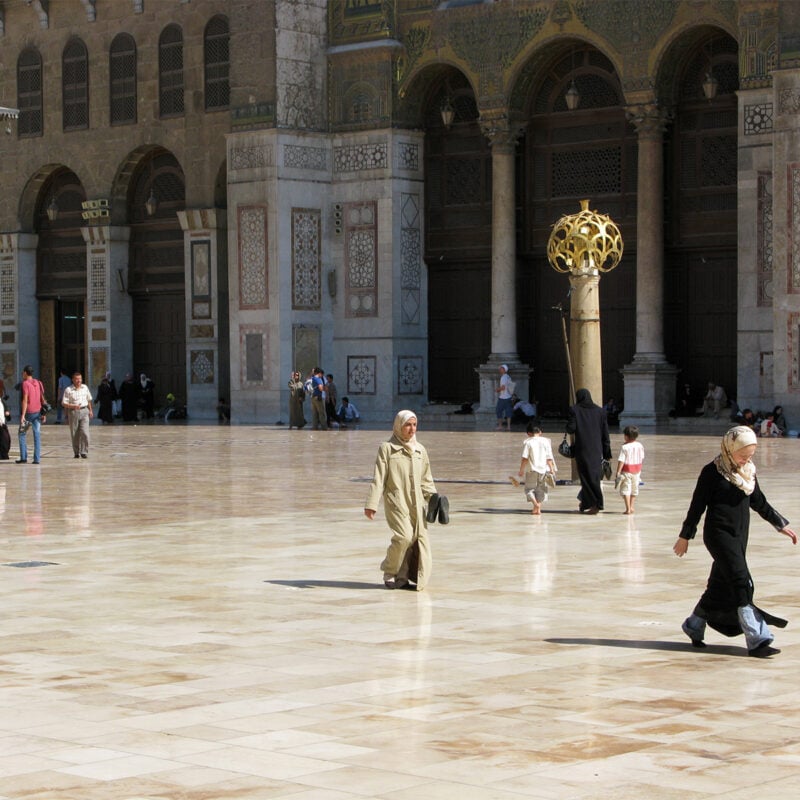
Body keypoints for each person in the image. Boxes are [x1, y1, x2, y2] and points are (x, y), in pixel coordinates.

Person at [673, 426, 797, 657]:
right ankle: (757, 638)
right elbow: (696, 506)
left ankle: (694, 625)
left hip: (740, 535)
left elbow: (759, 501)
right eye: (742, 455)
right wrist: (685, 536)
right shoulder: (712, 472)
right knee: (742, 581)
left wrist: (781, 524)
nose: (745, 460)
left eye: (750, 456)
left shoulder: (747, 472)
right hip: (718, 535)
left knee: (720, 585)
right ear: (730, 449)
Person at [364, 410, 437, 591]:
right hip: (397, 501)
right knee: (404, 536)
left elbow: (426, 480)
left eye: (414, 425)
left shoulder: (420, 450)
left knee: (414, 540)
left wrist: (435, 499)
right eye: (407, 425)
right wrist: (371, 504)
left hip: (417, 503)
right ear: (398, 426)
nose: (412, 429)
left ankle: (403, 577)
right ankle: (389, 570)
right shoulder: (387, 449)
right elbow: (379, 478)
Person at [565, 388, 611, 514]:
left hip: (582, 448)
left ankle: (597, 504)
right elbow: (605, 434)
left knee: (586, 477)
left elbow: (571, 428)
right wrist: (607, 453)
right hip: (596, 449)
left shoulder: (574, 410)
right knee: (593, 477)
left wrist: (569, 421)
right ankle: (586, 503)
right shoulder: (600, 411)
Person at [512, 423, 556, 515]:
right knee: (541, 489)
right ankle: (538, 509)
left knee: (529, 489)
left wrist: (521, 470)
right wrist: (551, 469)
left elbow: (525, 458)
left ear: (528, 433)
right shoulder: (546, 441)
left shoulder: (528, 442)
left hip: (531, 470)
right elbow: (549, 457)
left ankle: (536, 505)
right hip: (544, 469)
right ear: (540, 432)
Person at [17, 365, 45, 465]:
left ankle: (23, 457)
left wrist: (23, 415)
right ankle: (37, 459)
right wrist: (44, 413)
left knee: (22, 434)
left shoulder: (25, 384)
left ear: (25, 373)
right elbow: (42, 399)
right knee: (37, 434)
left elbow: (25, 399)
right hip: (37, 413)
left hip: (28, 413)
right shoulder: (38, 382)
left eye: (22, 373)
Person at [62, 371, 94, 459]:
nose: (78, 381)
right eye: (76, 379)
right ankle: (76, 452)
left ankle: (84, 451)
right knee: (75, 433)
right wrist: (72, 407)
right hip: (73, 412)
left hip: (84, 411)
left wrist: (90, 410)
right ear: (73, 380)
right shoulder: (68, 390)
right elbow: (64, 403)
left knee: (85, 433)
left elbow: (89, 400)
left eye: (80, 379)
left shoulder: (85, 388)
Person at [615, 425, 645, 515]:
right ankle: (632, 507)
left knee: (626, 489)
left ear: (626, 436)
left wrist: (618, 471)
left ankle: (627, 508)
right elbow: (642, 457)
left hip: (627, 471)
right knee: (634, 489)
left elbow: (621, 460)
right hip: (637, 470)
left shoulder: (625, 447)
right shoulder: (640, 445)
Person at [495, 364, 513, 431]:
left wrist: (497, 389)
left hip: (503, 398)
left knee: (498, 411)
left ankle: (500, 426)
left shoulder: (503, 377)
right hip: (509, 397)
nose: (499, 369)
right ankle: (508, 427)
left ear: (504, 370)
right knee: (508, 412)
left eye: (501, 368)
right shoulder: (508, 377)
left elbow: (503, 387)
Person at [309, 367, 326, 431]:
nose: (322, 376)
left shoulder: (312, 378)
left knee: (315, 414)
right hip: (318, 397)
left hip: (313, 397)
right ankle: (324, 428)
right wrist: (325, 389)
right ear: (320, 373)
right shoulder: (318, 379)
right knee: (321, 413)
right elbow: (321, 388)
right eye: (322, 374)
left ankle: (315, 427)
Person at [0, 394, 10, 460]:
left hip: (2, 424)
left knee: (6, 440)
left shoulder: (2, 401)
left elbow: (8, 416)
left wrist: (7, 413)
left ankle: (3, 455)